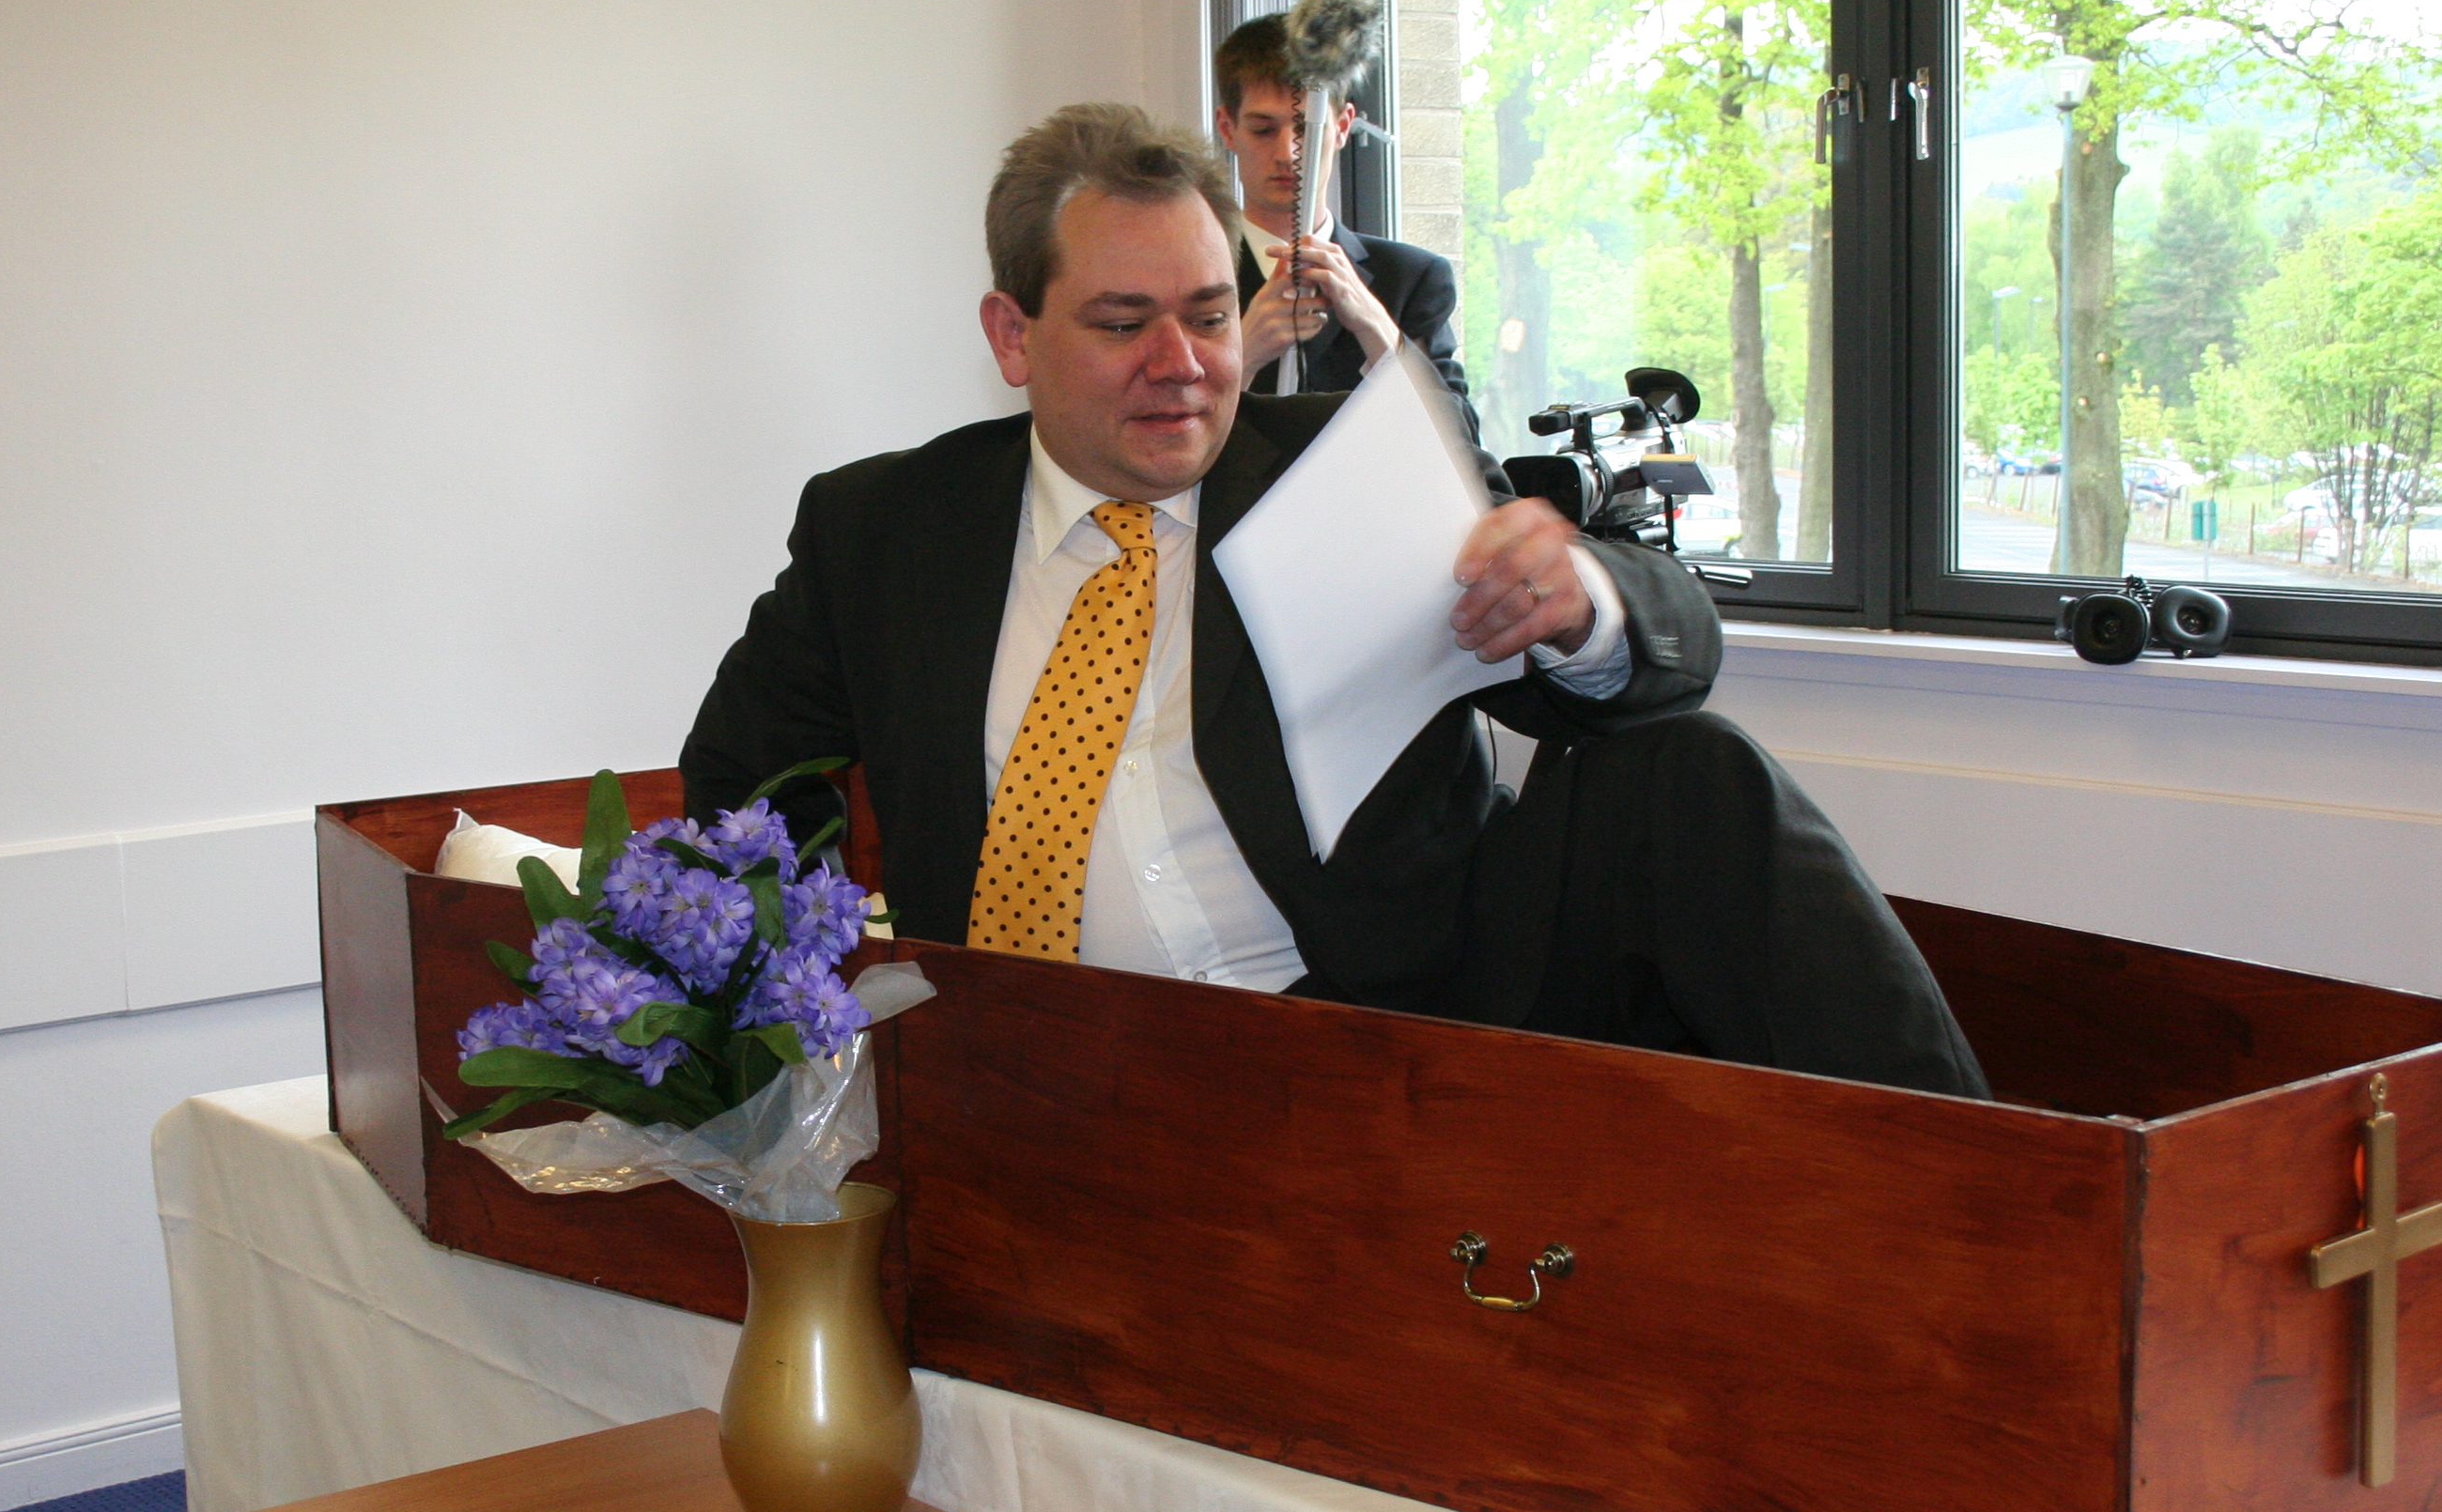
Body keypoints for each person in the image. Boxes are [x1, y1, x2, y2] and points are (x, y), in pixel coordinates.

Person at [681, 103, 1984, 1097]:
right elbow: (740, 788)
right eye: (1124, 324)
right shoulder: (885, 530)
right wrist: (832, 993)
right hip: (1060, 1072)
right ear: (1013, 336)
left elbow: (1672, 652)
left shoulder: (1342, 466)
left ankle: (2004, 1214)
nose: (1185, 365)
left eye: (1210, 314)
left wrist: (1578, 597)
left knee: (1692, 776)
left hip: (1403, 1022)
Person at [1213, 14, 1476, 435]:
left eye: (1306, 129)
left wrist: (1377, 327)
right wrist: (1241, 355)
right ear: (1228, 129)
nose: (1287, 153)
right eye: (1263, 130)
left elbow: (1461, 445)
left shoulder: (1410, 280)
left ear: (1341, 127)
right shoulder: (1191, 281)